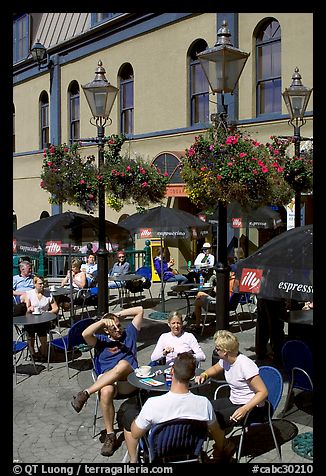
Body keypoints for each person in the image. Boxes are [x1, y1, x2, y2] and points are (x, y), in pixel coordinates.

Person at [121, 352, 232, 463]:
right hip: (190, 453)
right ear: (193, 375)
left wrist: (140, 416)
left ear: (172, 371)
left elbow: (135, 434)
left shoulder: (153, 404)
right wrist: (220, 450)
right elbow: (216, 432)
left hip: (160, 455)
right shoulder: (204, 403)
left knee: (128, 417)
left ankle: (133, 462)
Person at [71, 306, 144, 457]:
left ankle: (85, 393)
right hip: (108, 383)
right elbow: (85, 333)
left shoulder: (130, 333)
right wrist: (103, 321)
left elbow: (140, 310)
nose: (118, 329)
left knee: (123, 364)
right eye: (114, 328)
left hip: (129, 381)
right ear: (106, 330)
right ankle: (110, 435)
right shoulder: (101, 341)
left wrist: (117, 315)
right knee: (105, 390)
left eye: (119, 326)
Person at [195, 330, 268, 461]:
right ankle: (225, 444)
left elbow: (263, 392)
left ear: (225, 352)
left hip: (252, 407)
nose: (215, 351)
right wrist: (204, 374)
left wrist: (245, 409)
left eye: (217, 349)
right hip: (234, 400)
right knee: (202, 410)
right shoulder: (226, 360)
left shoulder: (245, 365)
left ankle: (222, 447)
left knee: (215, 419)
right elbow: (216, 368)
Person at [190, 264, 239, 331]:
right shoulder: (237, 281)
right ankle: (196, 315)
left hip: (221, 305)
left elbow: (225, 295)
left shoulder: (230, 282)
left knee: (198, 300)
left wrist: (217, 290)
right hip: (229, 304)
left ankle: (197, 325)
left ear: (232, 273)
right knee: (200, 294)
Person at [22, 275, 59, 361]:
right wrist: (29, 309)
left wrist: (47, 313)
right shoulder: (29, 294)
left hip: (44, 319)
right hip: (31, 318)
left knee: (42, 328)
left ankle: (44, 353)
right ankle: (32, 353)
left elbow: (56, 308)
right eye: (40, 284)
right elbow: (26, 310)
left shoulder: (48, 294)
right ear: (34, 284)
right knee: (29, 329)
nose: (42, 286)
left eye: (43, 284)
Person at [255, 297, 287, 365]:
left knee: (262, 324)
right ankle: (277, 356)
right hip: (275, 297)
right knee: (276, 327)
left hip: (263, 295)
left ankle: (261, 352)